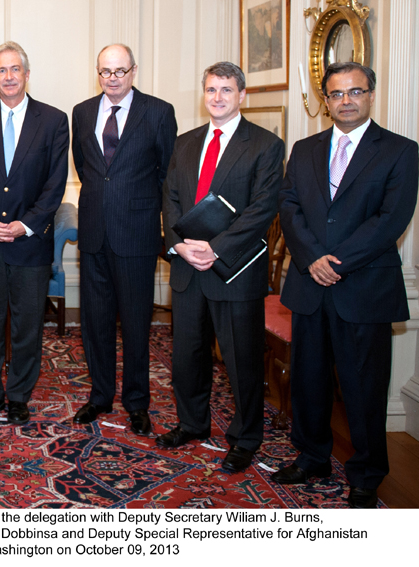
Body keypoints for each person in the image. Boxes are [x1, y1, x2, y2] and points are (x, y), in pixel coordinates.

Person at [273, 62, 418, 508]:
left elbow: (391, 219)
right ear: (326, 100)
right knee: (309, 380)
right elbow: (289, 205)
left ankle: (367, 473)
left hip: (364, 287)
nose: (347, 100)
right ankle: (312, 455)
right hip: (309, 285)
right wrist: (310, 257)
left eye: (356, 91)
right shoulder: (305, 148)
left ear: (371, 94)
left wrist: (335, 262)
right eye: (337, 94)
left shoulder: (399, 150)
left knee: (364, 387)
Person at [159, 62, 284, 473]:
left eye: (226, 90)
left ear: (242, 95)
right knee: (187, 357)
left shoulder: (265, 144)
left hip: (234, 270)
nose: (217, 97)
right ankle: (192, 424)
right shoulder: (185, 142)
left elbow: (262, 208)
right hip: (187, 267)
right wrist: (179, 245)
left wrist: (216, 248)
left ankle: (245, 439)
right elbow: (171, 197)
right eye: (211, 90)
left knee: (240, 361)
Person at [0, 41, 69, 425]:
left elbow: (55, 184)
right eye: (1, 71)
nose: (8, 77)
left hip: (30, 244)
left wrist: (26, 224)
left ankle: (19, 394)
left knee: (27, 327)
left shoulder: (53, 120)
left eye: (15, 69)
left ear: (27, 73)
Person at [71, 44, 177, 434]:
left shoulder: (159, 112)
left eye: (119, 71)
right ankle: (99, 397)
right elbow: (87, 168)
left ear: (134, 71)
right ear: (97, 73)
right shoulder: (82, 112)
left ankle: (136, 402)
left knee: (135, 324)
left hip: (137, 234)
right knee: (94, 323)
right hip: (94, 232)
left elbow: (168, 175)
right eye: (104, 72)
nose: (111, 78)